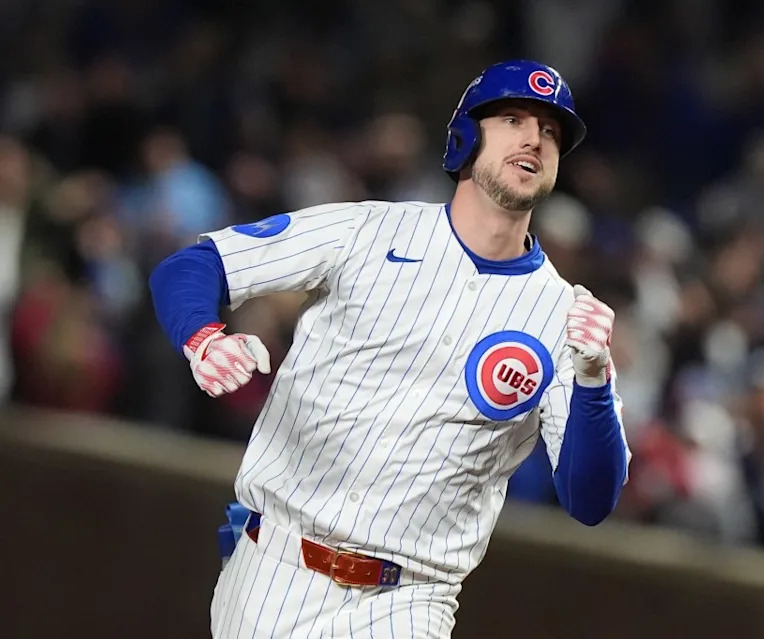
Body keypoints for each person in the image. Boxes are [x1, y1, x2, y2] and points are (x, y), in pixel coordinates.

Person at [150, 59, 630, 639]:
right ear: (466, 136)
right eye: (513, 119)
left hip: (408, 601)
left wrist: (593, 380)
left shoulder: (563, 317)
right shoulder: (367, 230)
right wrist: (203, 337)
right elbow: (194, 266)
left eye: (551, 131)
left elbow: (589, 498)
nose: (535, 137)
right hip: (275, 568)